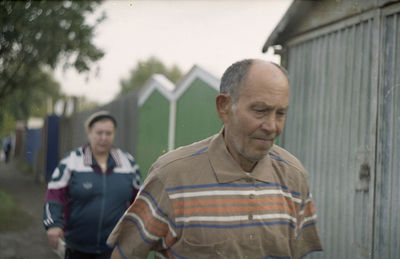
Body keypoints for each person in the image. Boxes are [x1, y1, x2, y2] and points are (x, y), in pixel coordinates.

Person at [107, 59, 323, 258]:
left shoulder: (294, 177)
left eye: (281, 113)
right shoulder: (171, 176)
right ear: (224, 107)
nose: (272, 126)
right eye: (260, 110)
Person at [43, 111, 142, 259]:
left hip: (115, 249)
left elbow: (140, 202)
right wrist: (53, 224)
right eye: (99, 132)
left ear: (114, 134)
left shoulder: (129, 164)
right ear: (89, 133)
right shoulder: (71, 161)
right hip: (77, 248)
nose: (104, 138)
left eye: (108, 133)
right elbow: (54, 196)